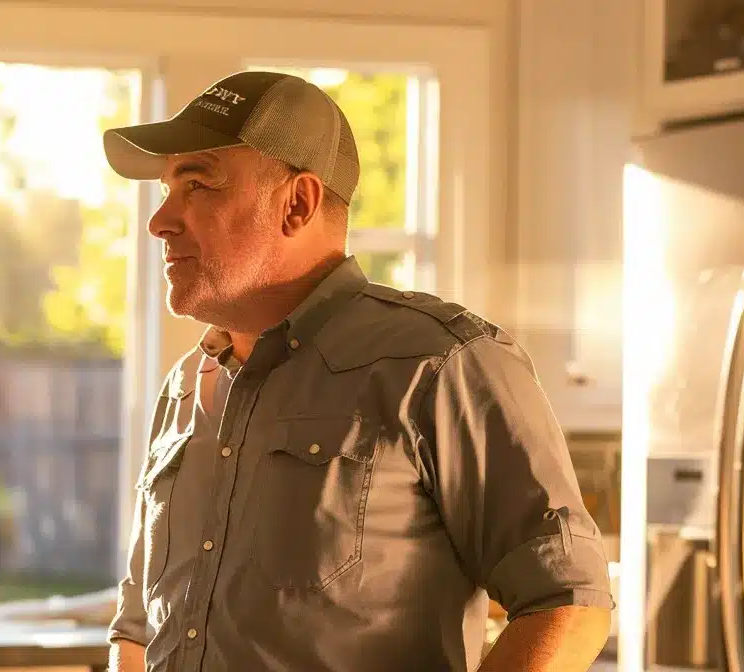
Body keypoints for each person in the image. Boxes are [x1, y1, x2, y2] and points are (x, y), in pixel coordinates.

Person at [102, 71, 614, 672]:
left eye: (198, 186)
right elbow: (138, 629)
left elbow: (567, 601)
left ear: (297, 204)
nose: (159, 220)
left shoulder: (440, 365)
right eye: (167, 189)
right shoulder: (186, 386)